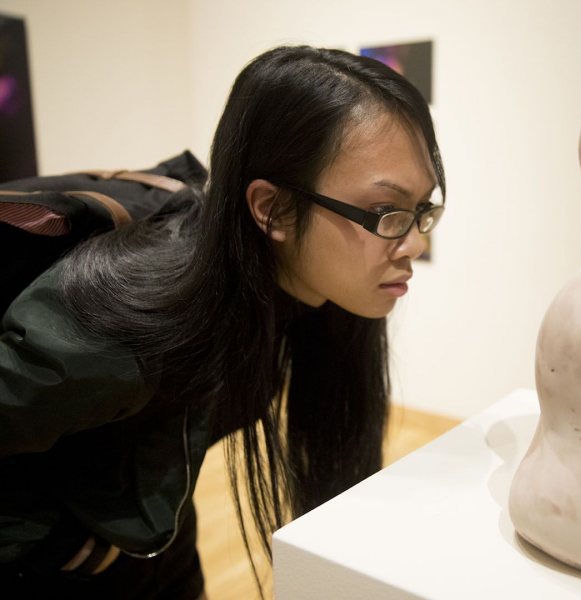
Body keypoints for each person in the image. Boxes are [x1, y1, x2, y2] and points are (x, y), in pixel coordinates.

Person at [0, 44, 445, 598]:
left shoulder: (312, 298)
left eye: (425, 208)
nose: (417, 242)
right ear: (273, 209)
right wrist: (58, 543)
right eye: (386, 214)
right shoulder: (125, 326)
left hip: (153, 532)